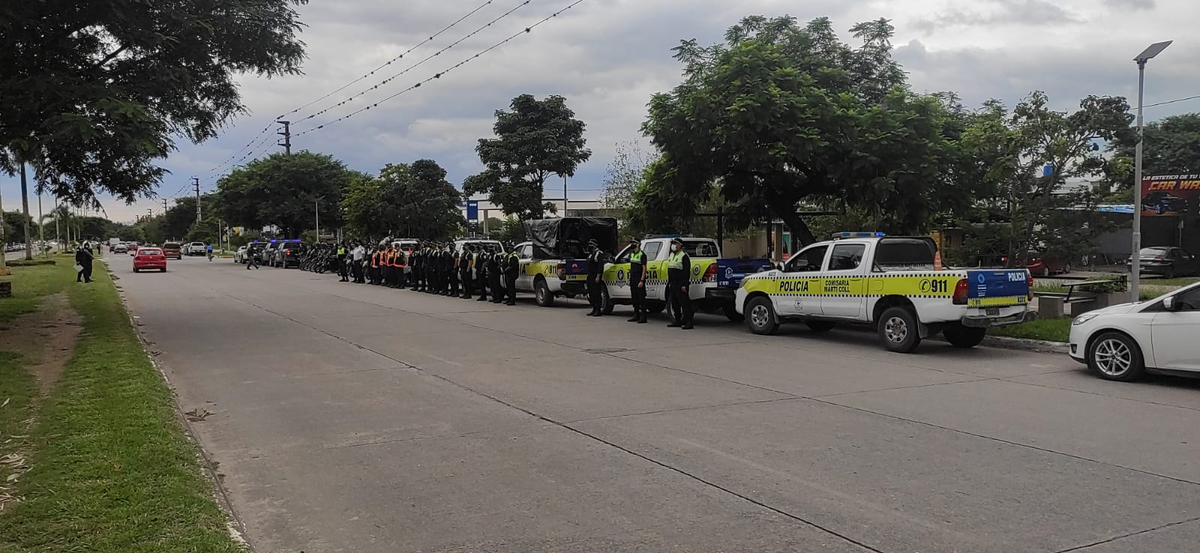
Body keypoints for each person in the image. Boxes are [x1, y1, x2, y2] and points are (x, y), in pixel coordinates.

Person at [665, 237, 694, 330]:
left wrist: (684, 284)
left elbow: (686, 272)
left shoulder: (684, 256)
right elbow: (670, 268)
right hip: (673, 283)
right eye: (673, 243)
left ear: (680, 245)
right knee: (674, 303)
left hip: (681, 283)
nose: (674, 245)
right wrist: (669, 282)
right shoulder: (671, 255)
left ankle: (689, 322)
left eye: (676, 243)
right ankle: (677, 320)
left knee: (684, 304)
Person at [626, 239, 648, 323]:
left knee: (641, 298)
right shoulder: (632, 254)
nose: (632, 244)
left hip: (639, 279)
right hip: (633, 279)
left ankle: (644, 317)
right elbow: (631, 267)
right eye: (631, 243)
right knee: (634, 298)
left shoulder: (642, 254)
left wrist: (642, 280)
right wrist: (629, 278)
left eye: (634, 243)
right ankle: (636, 315)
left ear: (638, 244)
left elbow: (644, 268)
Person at [585, 239, 606, 316]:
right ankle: (593, 308)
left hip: (596, 275)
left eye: (591, 244)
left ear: (595, 245)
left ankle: (598, 309)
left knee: (596, 292)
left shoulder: (599, 253)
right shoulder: (591, 254)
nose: (590, 246)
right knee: (591, 293)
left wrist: (598, 276)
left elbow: (600, 266)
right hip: (590, 275)